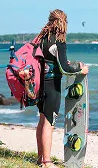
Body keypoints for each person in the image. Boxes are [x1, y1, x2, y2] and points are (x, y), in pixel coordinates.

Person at [36, 9, 89, 168]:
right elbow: (65, 68)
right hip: (52, 85)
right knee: (49, 123)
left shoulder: (42, 38)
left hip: (40, 84)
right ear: (63, 22)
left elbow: (54, 60)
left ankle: (40, 159)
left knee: (42, 120)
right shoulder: (59, 41)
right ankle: (47, 161)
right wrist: (81, 70)